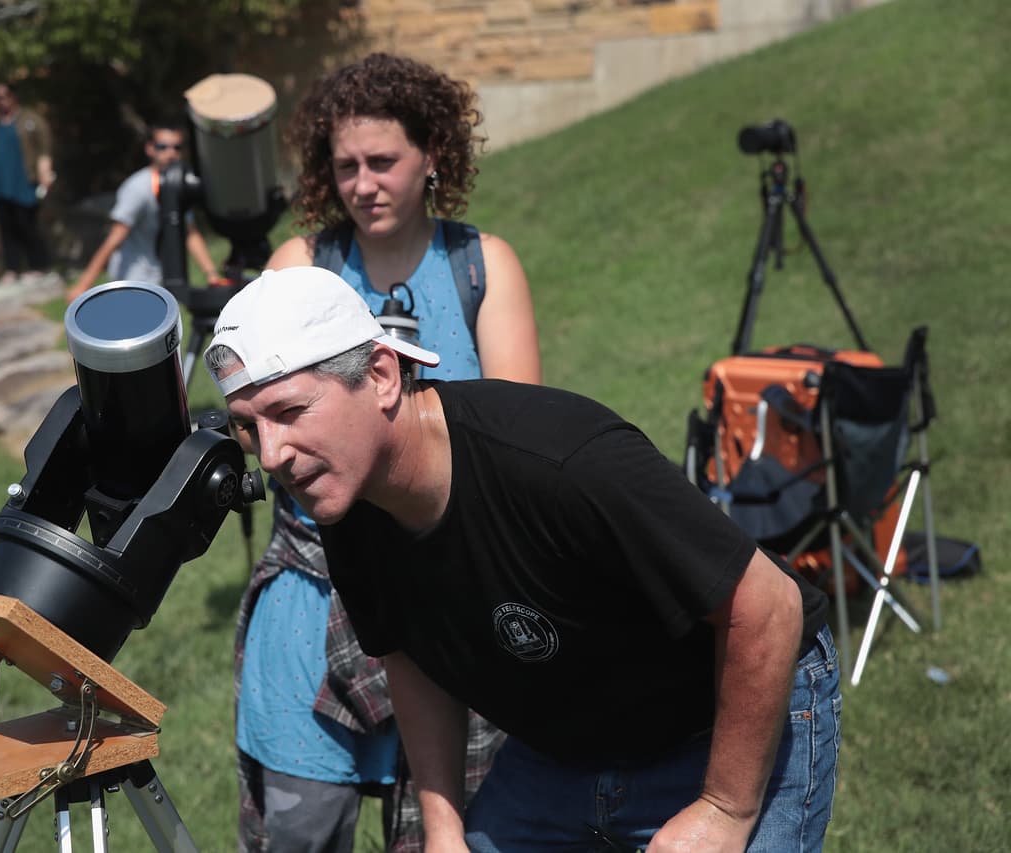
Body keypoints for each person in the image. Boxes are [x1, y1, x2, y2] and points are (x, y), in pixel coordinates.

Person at [205, 267, 841, 853]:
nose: (272, 455)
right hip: (562, 747)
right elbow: (409, 654)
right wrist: (443, 832)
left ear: (381, 376)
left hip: (722, 721)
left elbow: (769, 606)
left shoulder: (560, 462)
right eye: (248, 425)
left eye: (290, 411)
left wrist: (724, 809)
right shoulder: (346, 497)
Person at [235, 53, 541, 852]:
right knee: (303, 827)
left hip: (450, 597)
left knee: (460, 829)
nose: (363, 184)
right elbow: (256, 419)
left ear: (433, 153)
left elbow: (518, 444)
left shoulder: (481, 266)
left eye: (383, 161)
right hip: (315, 593)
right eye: (346, 166)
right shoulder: (300, 267)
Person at [65, 119, 220, 301]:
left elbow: (190, 232)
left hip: (160, 277)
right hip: (132, 279)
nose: (171, 153)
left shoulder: (178, 187)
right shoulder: (138, 189)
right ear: (150, 149)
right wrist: (83, 286)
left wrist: (211, 274)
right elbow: (114, 238)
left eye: (177, 147)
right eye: (163, 147)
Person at [0, 81, 56, 285]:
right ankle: (12, 268)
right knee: (5, 227)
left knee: (26, 223)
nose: (0, 102)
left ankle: (39, 265)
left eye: (3, 97)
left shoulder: (30, 120)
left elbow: (44, 150)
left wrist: (45, 174)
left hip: (22, 181)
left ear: (13, 97)